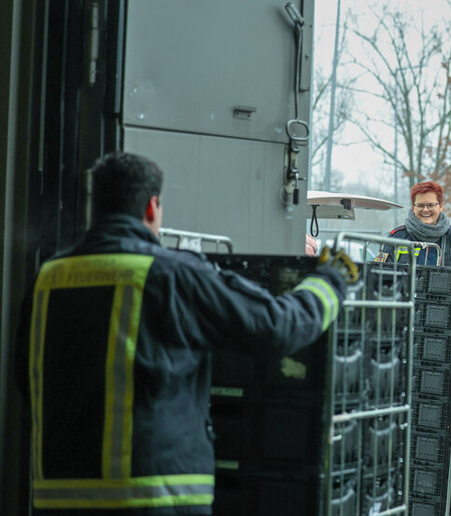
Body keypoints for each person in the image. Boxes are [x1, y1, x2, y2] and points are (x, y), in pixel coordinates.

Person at [15, 152, 347, 515]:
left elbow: (26, 379)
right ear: (152, 207)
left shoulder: (47, 279)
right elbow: (276, 329)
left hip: (56, 499)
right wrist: (331, 281)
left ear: (97, 207)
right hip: (154, 498)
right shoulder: (170, 274)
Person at [375, 180, 451, 267]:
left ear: (441, 206)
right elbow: (379, 275)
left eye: (431, 205)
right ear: (413, 207)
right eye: (420, 205)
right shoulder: (397, 237)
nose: (425, 210)